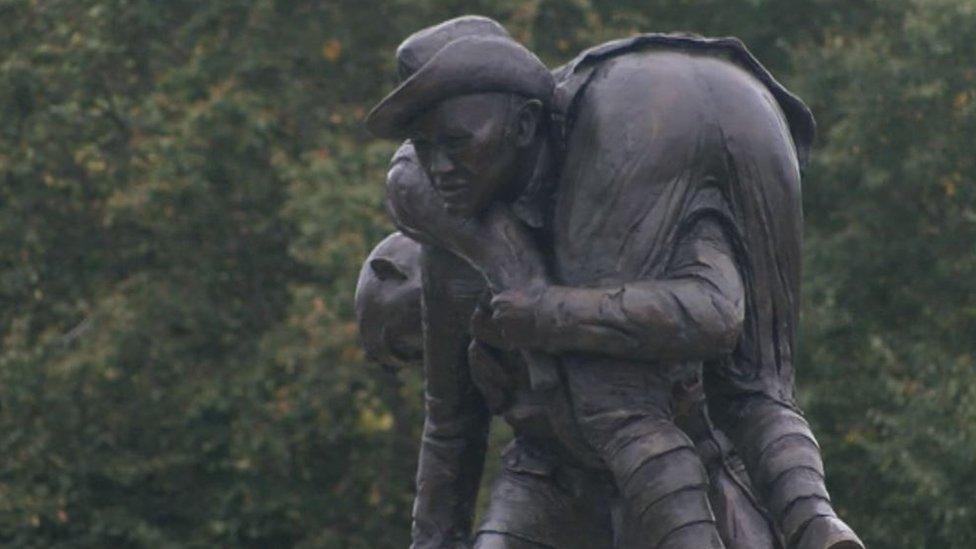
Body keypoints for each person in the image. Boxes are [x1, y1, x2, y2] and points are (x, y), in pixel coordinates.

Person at [366, 16, 862, 549]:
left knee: (611, 393)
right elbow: (719, 314)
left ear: (527, 125)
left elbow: (458, 426)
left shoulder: (583, 152)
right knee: (760, 381)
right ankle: (816, 521)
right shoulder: (463, 221)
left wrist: (541, 309)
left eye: (456, 143)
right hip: (753, 106)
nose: (440, 167)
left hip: (646, 109)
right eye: (425, 147)